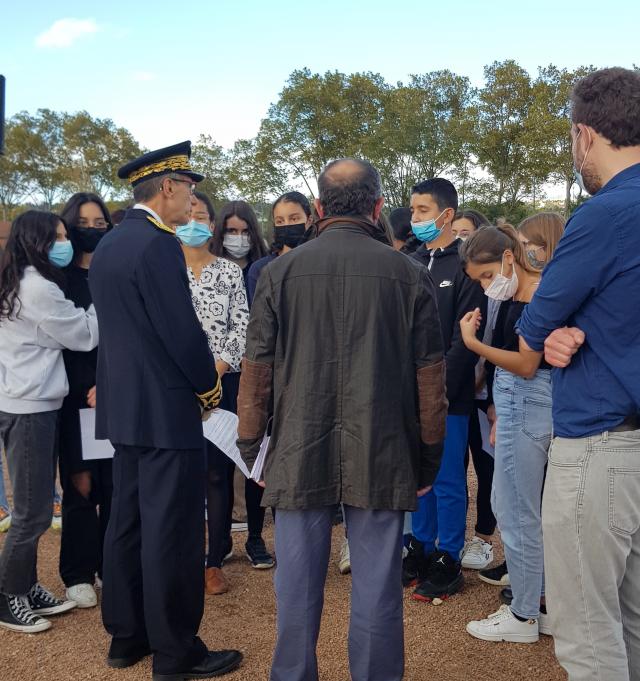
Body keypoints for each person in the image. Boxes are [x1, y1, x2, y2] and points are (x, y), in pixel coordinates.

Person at [237, 158, 447, 681]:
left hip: (296, 444)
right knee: (377, 589)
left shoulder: (279, 272)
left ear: (316, 210)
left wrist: (249, 447)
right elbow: (430, 380)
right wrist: (428, 459)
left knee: (296, 588)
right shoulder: (409, 274)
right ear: (378, 208)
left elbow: (256, 370)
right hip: (382, 443)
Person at [89, 142, 242, 680]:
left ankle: (127, 636)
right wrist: (207, 387)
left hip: (128, 410)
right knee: (172, 532)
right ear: (169, 187)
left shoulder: (110, 244)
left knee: (127, 523)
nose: (193, 203)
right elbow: (181, 333)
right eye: (191, 190)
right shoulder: (157, 246)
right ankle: (177, 652)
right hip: (167, 410)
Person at [517, 67, 640, 680]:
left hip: (602, 445)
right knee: (634, 627)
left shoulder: (605, 213)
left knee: (591, 636)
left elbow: (534, 327)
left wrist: (560, 328)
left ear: (585, 135)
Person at [0, 210, 99, 633]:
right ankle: (7, 596)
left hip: (30, 402)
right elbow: (85, 334)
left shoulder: (20, 280)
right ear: (35, 242)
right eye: (57, 236)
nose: (66, 242)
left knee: (35, 506)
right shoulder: (37, 287)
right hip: (30, 409)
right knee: (32, 512)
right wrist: (106, 300)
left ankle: (27, 584)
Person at [457, 225, 552, 643]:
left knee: (516, 510)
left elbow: (527, 364)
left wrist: (472, 342)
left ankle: (524, 613)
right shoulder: (521, 292)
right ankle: (539, 603)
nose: (485, 285)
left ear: (508, 259)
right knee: (514, 504)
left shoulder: (534, 294)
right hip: (519, 404)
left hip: (528, 401)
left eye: (485, 275)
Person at [405, 178, 484, 602]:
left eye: (421, 210)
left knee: (448, 478)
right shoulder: (410, 260)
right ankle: (421, 543)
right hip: (409, 395)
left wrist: (437, 388)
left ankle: (448, 556)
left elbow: (464, 341)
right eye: (413, 210)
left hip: (448, 396)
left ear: (446, 214)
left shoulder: (465, 265)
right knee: (421, 477)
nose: (414, 218)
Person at [176, 190, 249, 595]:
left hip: (222, 383)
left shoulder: (228, 272)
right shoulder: (165, 270)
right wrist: (188, 377)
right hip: (175, 385)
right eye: (186, 215)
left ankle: (213, 560)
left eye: (201, 215)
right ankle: (182, 553)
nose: (193, 222)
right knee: (182, 473)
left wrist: (214, 374)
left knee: (217, 473)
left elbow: (241, 327)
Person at [57, 192, 114, 609]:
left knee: (115, 485)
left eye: (100, 224)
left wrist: (108, 383)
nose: (91, 230)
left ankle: (110, 566)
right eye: (84, 223)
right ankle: (77, 572)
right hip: (73, 398)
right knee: (80, 485)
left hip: (112, 394)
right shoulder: (57, 281)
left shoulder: (114, 275)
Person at [210, 200, 273, 569]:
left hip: (253, 378)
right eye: (230, 231)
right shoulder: (209, 271)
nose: (237, 238)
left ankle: (254, 536)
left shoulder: (263, 271)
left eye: (244, 230)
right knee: (216, 466)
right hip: (218, 379)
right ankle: (217, 544)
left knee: (253, 460)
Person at [247, 191, 312, 304]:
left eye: (294, 219)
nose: (287, 225)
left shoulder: (320, 264)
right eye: (280, 221)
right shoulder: (260, 269)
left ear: (309, 221)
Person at [210, 200, 268, 295]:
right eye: (232, 231)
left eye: (245, 232)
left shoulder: (265, 267)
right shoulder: (209, 268)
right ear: (221, 232)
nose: (239, 238)